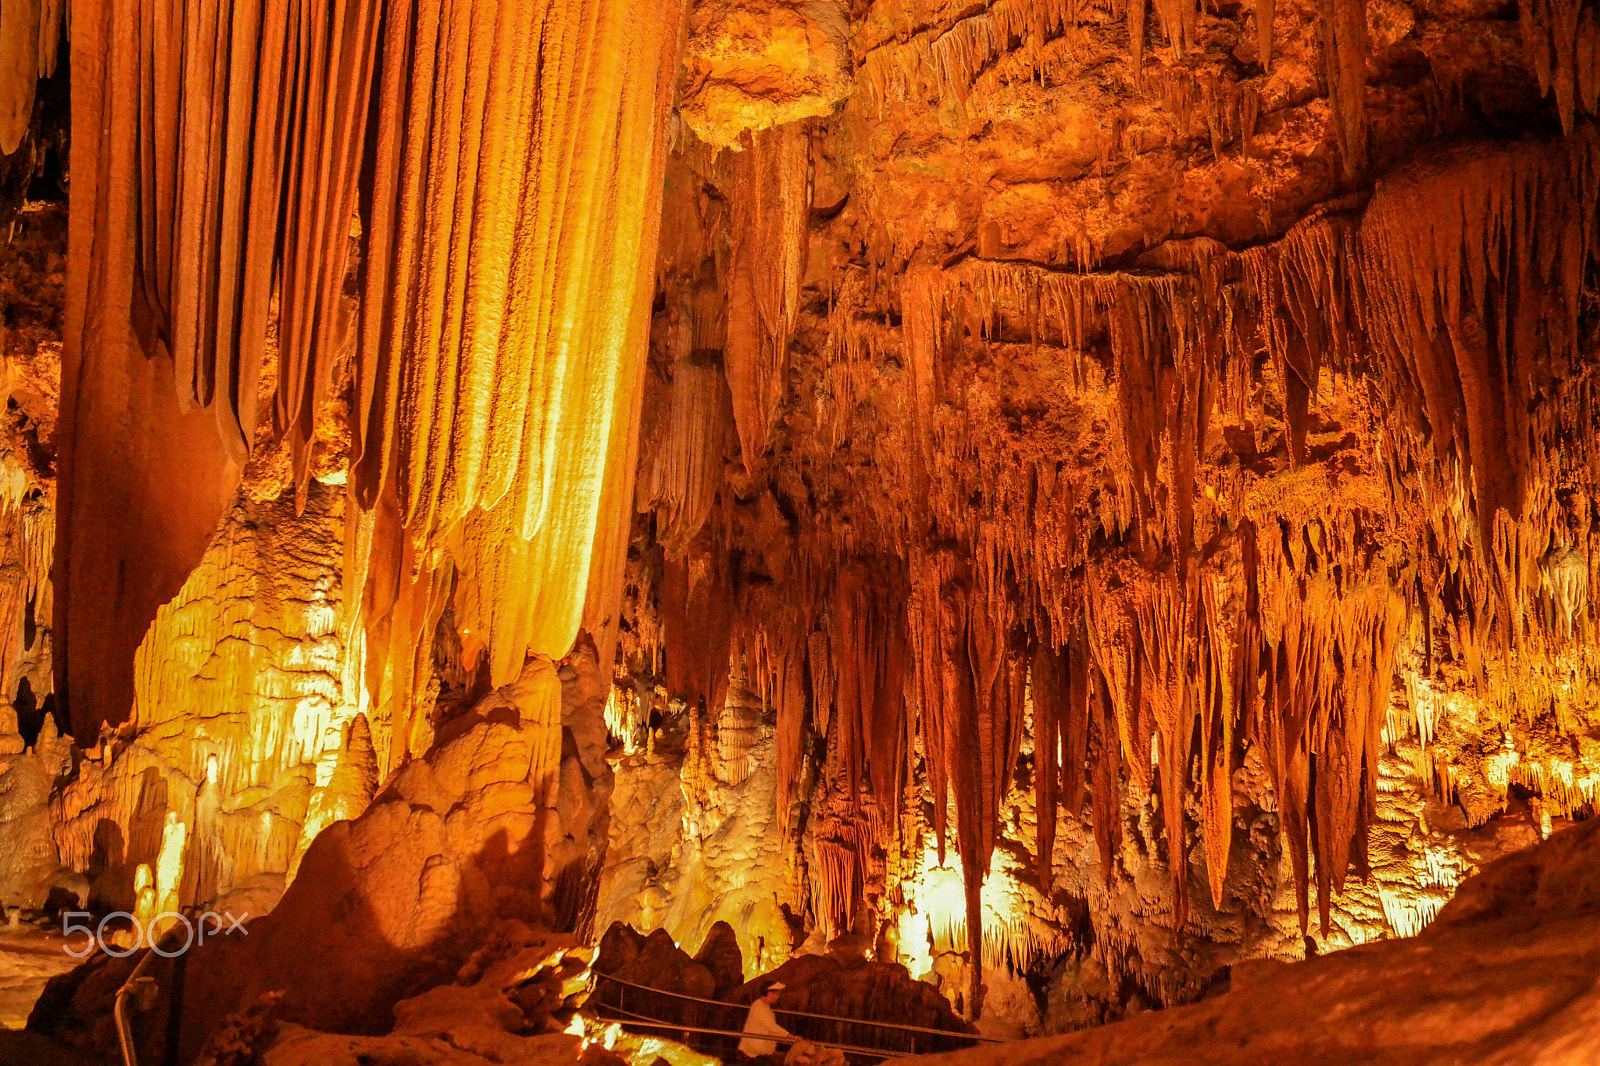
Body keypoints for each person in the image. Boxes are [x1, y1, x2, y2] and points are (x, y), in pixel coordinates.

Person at [738, 981, 794, 1061]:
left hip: (760, 1052)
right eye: (777, 994)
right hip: (755, 1054)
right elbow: (771, 1026)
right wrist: (789, 1036)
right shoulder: (759, 1007)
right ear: (770, 993)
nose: (778, 997)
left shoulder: (764, 1006)